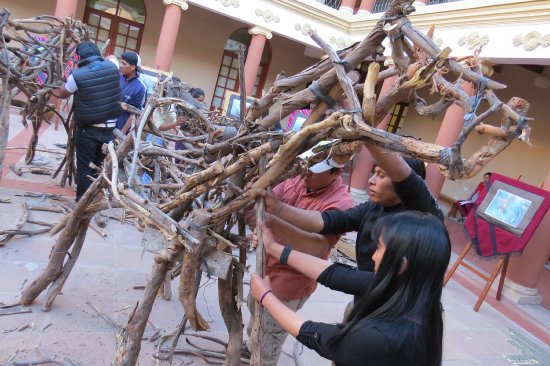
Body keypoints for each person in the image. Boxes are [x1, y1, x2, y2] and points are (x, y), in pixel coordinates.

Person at [251, 210, 451, 366]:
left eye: (380, 247)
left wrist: (266, 297)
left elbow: (316, 335)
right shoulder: (413, 293)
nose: (373, 256)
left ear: (401, 265)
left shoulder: (380, 338)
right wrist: (274, 249)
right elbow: (336, 274)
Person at [257, 142, 443, 277]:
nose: (371, 180)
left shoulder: (423, 219)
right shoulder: (373, 207)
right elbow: (331, 221)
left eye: (382, 175)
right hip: (364, 299)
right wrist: (278, 208)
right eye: (374, 172)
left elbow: (353, 278)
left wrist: (275, 243)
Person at [246, 147, 355, 365]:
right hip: (264, 269)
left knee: (269, 338)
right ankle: (251, 348)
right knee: (256, 321)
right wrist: (258, 224)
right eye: (307, 167)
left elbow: (315, 248)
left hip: (289, 283)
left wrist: (273, 220)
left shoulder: (341, 205)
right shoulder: (299, 177)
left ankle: (260, 357)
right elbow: (261, 207)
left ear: (336, 173)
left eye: (316, 170)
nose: (307, 173)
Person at [58, 41, 122, 202]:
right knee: (98, 165)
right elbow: (113, 57)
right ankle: (93, 198)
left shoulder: (76, 75)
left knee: (85, 167)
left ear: (79, 57)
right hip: (109, 128)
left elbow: (63, 93)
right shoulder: (113, 66)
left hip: (88, 129)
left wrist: (60, 83)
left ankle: (81, 202)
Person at [117, 51, 147, 133]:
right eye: (121, 62)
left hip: (121, 129)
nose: (120, 66)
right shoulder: (116, 78)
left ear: (133, 67)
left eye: (124, 63)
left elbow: (135, 112)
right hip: (107, 125)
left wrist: (122, 132)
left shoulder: (140, 88)